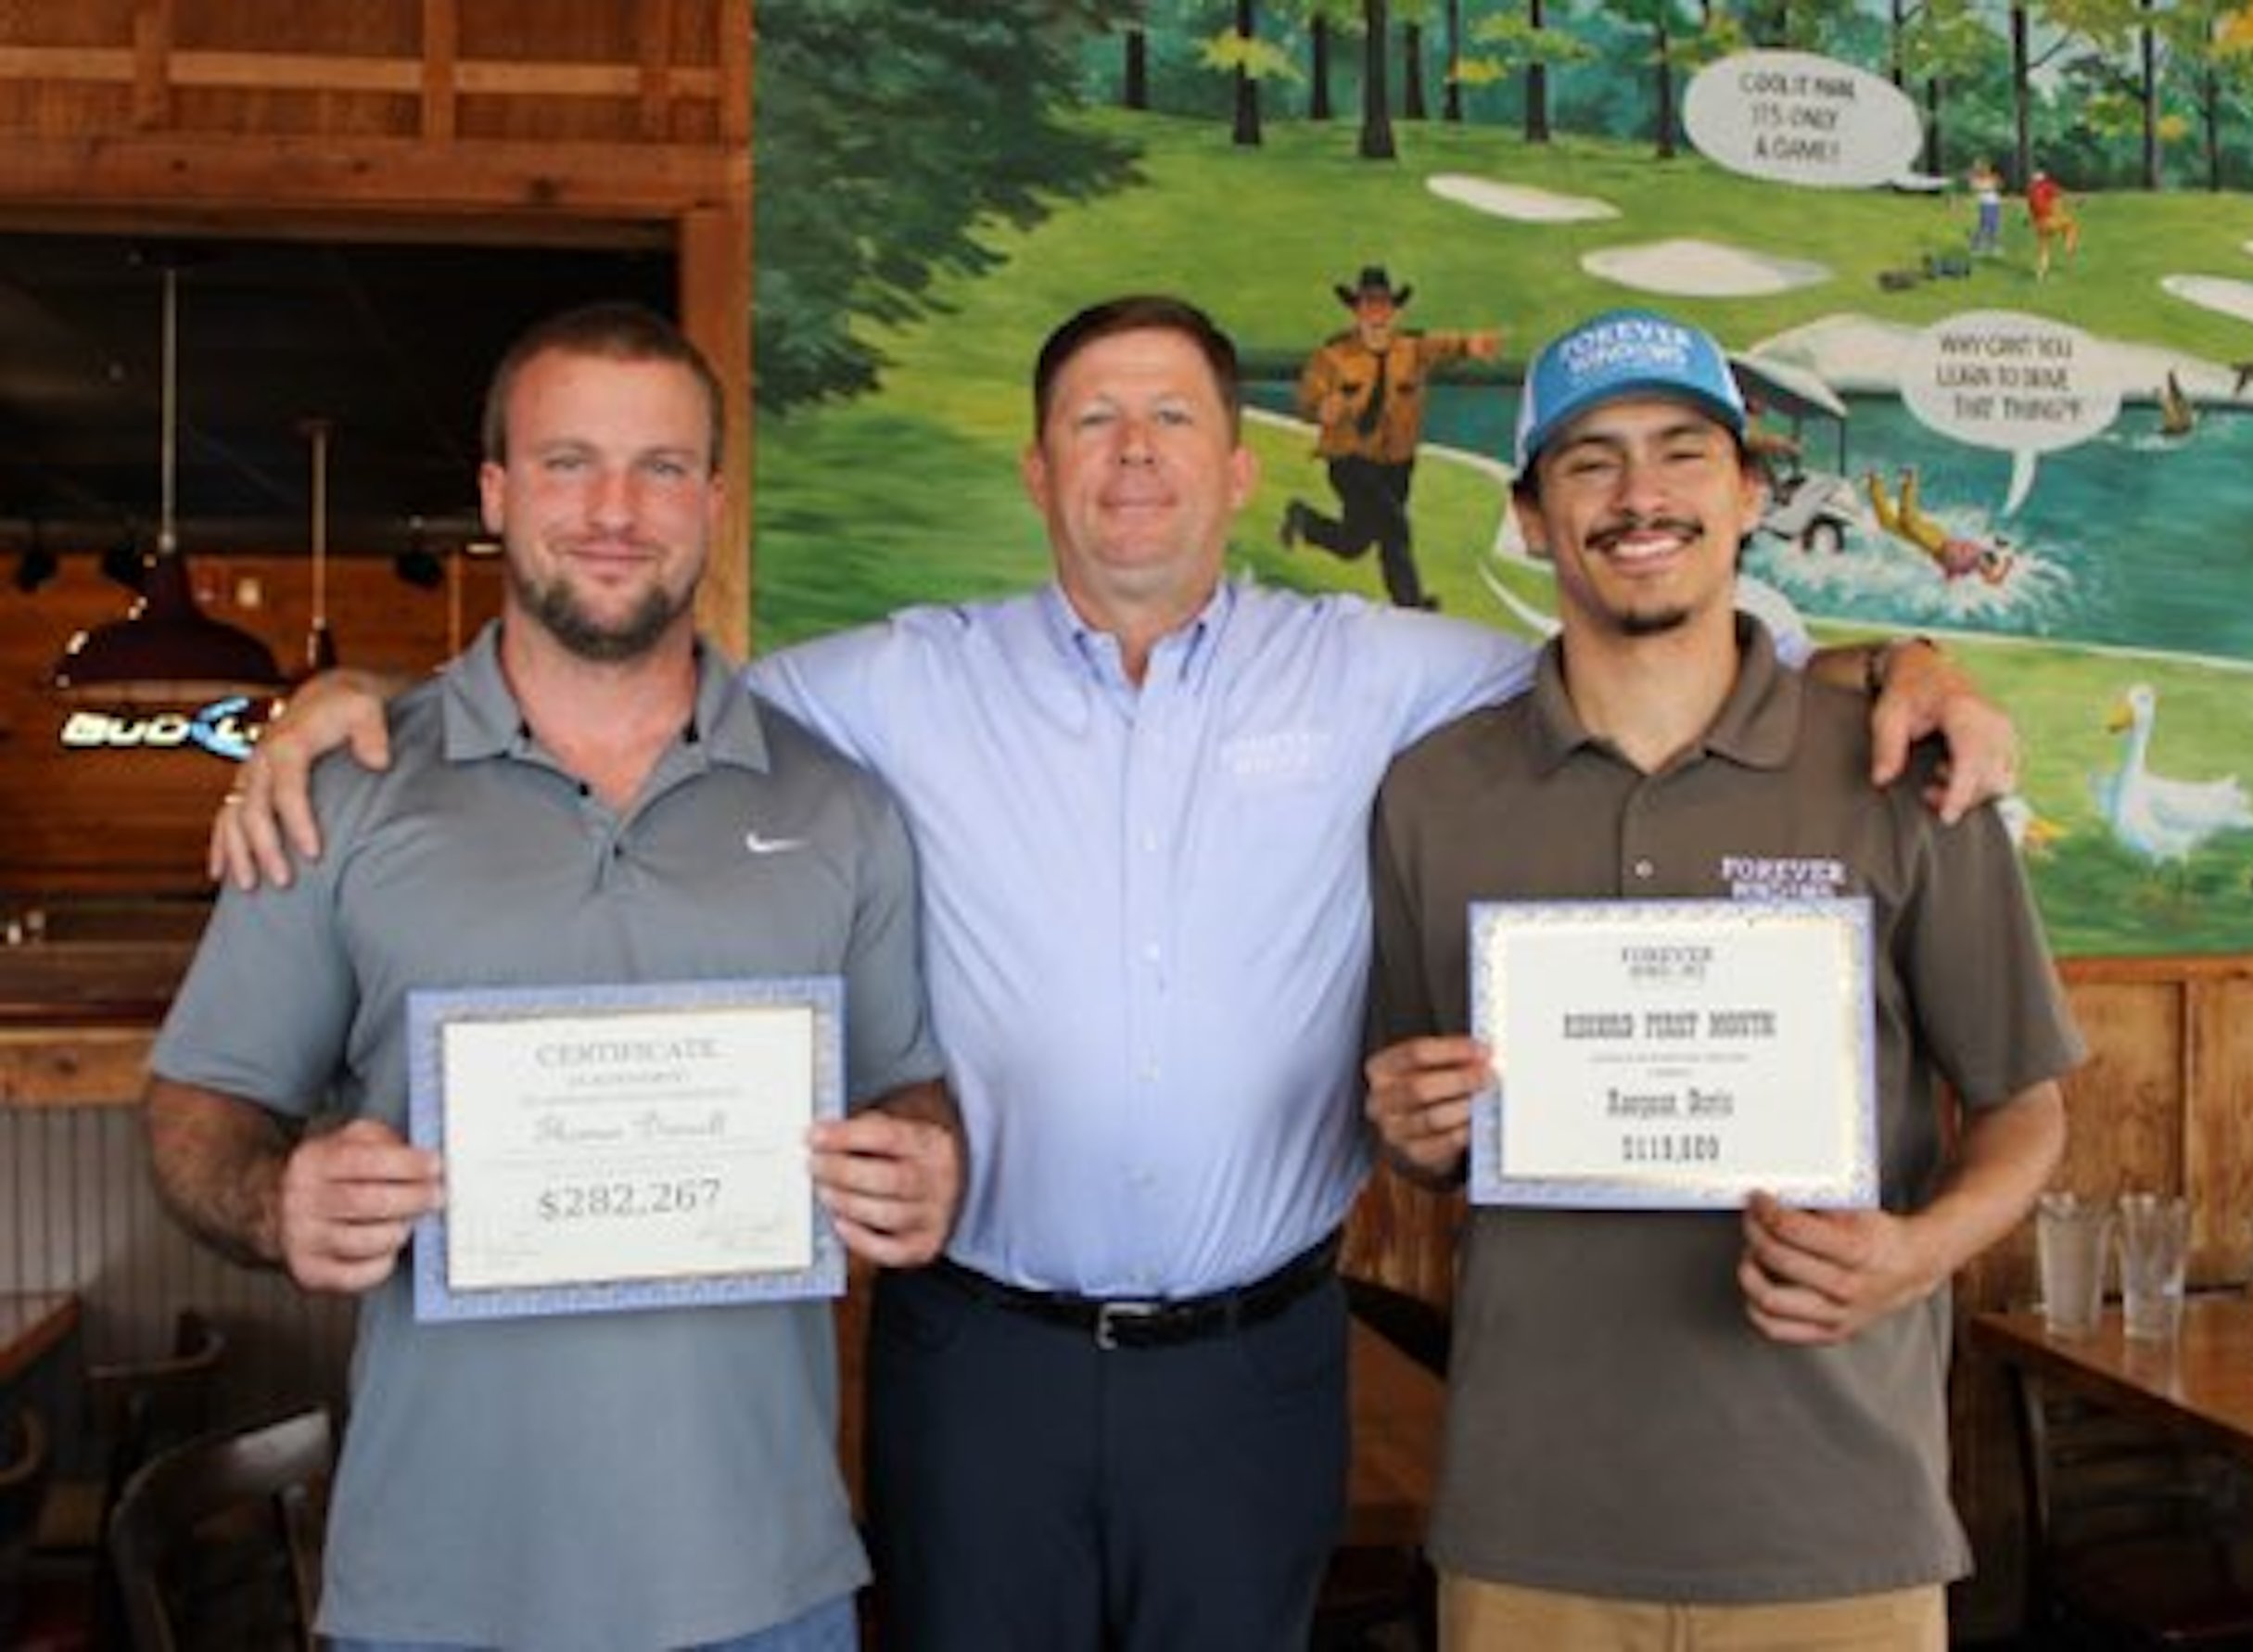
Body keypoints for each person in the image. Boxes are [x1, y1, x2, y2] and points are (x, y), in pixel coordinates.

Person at [210, 295, 2019, 1652]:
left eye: (1174, 418)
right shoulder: (880, 686)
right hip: (972, 1362)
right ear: (1037, 469)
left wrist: (1884, 654)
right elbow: (607, 666)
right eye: (1092, 419)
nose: (1135, 453)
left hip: (1254, 1362)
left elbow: (1652, 637)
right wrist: (366, 701)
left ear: (1239, 471)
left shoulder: (1396, 673)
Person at [147, 302, 963, 1652]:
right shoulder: (344, 792)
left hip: (766, 1587)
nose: (614, 509)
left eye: (659, 467)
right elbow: (198, 1104)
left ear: (711, 497)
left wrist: (931, 1159)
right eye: (568, 461)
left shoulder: (838, 806)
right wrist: (272, 1197)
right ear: (495, 491)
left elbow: (907, 1087)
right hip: (438, 1591)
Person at [1363, 308, 2081, 1650]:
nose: (1641, 496)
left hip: (1840, 1512)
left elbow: (2024, 1106)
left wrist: (1916, 1252)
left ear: (1750, 492)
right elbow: (1423, 1132)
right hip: (1534, 1522)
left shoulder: (1903, 770)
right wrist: (1412, 1130)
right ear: (1529, 516)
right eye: (1589, 463)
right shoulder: (1431, 795)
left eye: (1683, 453)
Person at [1279, 265, 1500, 610]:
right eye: (1368, 306)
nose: (1377, 315)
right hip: (1350, 459)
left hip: (1397, 462)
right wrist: (1323, 407)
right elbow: (1308, 399)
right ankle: (1410, 605)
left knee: (1356, 542)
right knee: (1395, 528)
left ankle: (1305, 520)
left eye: (1383, 306)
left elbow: (1447, 346)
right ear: (1356, 311)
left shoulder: (1412, 349)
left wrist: (1472, 345)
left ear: (1394, 311)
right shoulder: (1334, 355)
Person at [1865, 466, 2017, 585]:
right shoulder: (1979, 551)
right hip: (1937, 541)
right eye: (1984, 563)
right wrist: (2007, 563)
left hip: (1931, 545)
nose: (1982, 566)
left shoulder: (1971, 569)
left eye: (1984, 567)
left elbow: (1993, 581)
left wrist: (2006, 569)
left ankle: (1875, 481)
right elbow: (1993, 567)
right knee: (1909, 522)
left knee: (1887, 523)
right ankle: (1910, 478)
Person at [2026, 168, 2081, 279]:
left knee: (2044, 247)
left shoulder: (2030, 190)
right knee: (2071, 225)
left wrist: (2029, 220)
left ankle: (2040, 272)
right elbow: (2061, 196)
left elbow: (2031, 209)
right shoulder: (2048, 186)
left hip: (2040, 223)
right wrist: (2076, 201)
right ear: (2044, 177)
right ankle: (2069, 247)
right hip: (2052, 220)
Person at [1967, 158, 2004, 255]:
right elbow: (1974, 187)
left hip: (1995, 203)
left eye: (1988, 168)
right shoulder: (1976, 179)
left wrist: (1994, 182)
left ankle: (1993, 246)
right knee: (1984, 226)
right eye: (1984, 168)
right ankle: (1975, 246)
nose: (1986, 170)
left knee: (1995, 226)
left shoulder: (1992, 178)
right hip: (1985, 204)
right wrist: (1986, 186)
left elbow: (1999, 186)